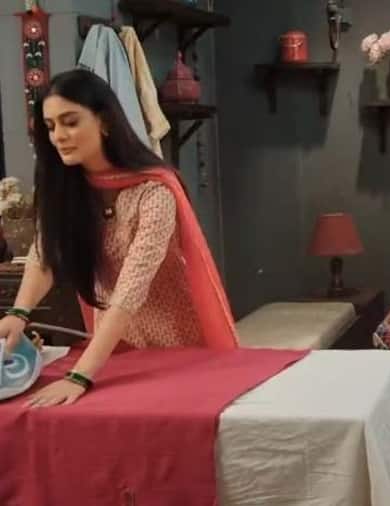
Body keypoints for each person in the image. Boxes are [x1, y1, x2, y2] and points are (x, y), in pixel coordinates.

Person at [0, 69, 238, 408]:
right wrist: (18, 313)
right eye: (51, 127)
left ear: (105, 122)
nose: (59, 136)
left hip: (176, 342)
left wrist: (79, 376)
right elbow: (45, 255)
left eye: (70, 122)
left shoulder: (154, 191)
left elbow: (131, 289)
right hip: (115, 347)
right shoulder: (66, 189)